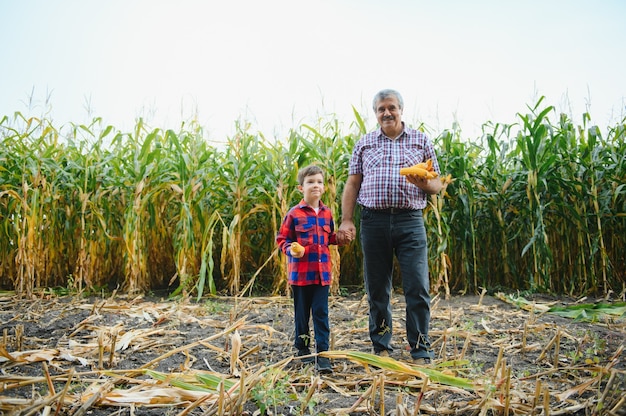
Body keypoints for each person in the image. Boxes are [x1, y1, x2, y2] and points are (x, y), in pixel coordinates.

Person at [338, 89, 443, 364]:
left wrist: (426, 184)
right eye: (381, 109)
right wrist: (347, 219)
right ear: (375, 113)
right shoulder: (365, 143)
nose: (387, 113)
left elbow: (437, 184)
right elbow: (352, 183)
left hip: (410, 221)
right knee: (377, 289)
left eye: (392, 108)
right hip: (373, 221)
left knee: (417, 286)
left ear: (401, 110)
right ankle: (381, 346)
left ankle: (420, 348)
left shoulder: (421, 141)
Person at [276, 164, 341, 374]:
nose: (316, 185)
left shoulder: (327, 213)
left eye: (319, 182)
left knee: (321, 313)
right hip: (301, 275)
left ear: (324, 187)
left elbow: (329, 237)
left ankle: (322, 355)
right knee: (302, 314)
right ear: (300, 188)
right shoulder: (294, 214)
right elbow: (282, 239)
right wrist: (290, 250)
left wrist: (340, 238)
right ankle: (303, 349)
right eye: (310, 182)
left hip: (322, 274)